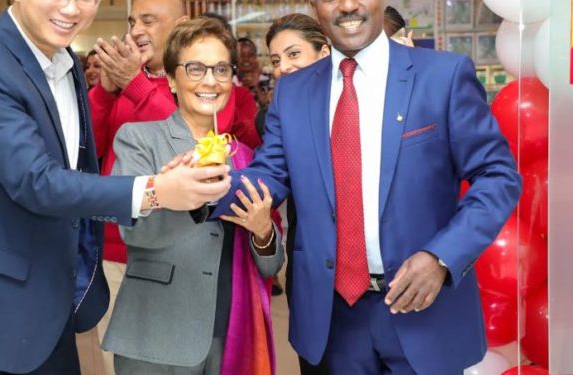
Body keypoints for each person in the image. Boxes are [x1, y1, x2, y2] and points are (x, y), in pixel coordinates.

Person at [0, 1, 232, 374]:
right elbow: (36, 181)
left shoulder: (64, 62)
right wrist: (154, 191)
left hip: (48, 308)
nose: (72, 8)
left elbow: (75, 165)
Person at [209, 0, 522, 373]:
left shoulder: (444, 75)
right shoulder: (293, 92)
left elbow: (497, 175)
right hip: (335, 320)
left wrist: (441, 257)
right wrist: (204, 185)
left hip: (424, 310)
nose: (347, 5)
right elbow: (268, 176)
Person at [104, 17, 283, 374]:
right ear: (171, 78)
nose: (210, 80)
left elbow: (270, 265)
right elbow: (134, 233)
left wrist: (263, 232)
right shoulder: (138, 139)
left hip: (232, 331)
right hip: (158, 331)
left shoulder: (243, 154)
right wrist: (180, 195)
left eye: (220, 68)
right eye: (195, 68)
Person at [263, 13, 331, 298]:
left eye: (294, 54)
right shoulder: (279, 116)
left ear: (324, 53)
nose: (283, 68)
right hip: (311, 262)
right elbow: (268, 174)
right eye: (276, 60)